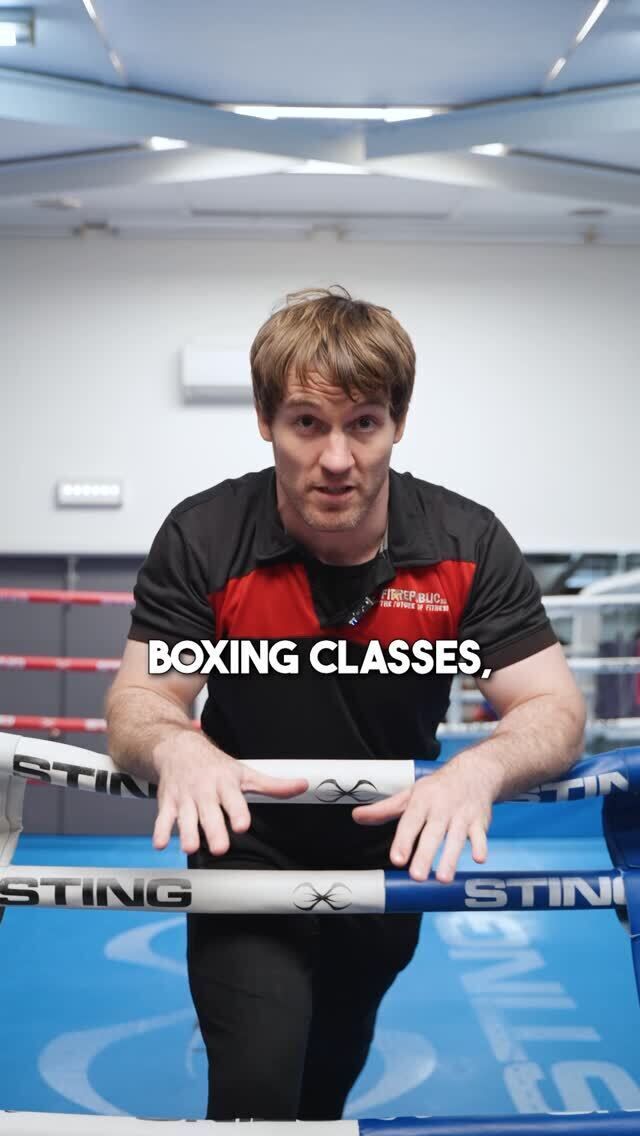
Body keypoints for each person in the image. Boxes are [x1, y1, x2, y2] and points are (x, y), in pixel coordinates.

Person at [106, 286, 585, 1121]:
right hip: (247, 842)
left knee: (327, 1080)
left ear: (398, 423)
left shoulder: (466, 544)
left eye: (363, 423)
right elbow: (142, 696)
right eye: (307, 423)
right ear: (265, 421)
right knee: (257, 1089)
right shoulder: (207, 536)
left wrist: (477, 772)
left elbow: (552, 705)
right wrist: (178, 745)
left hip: (390, 845)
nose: (336, 458)